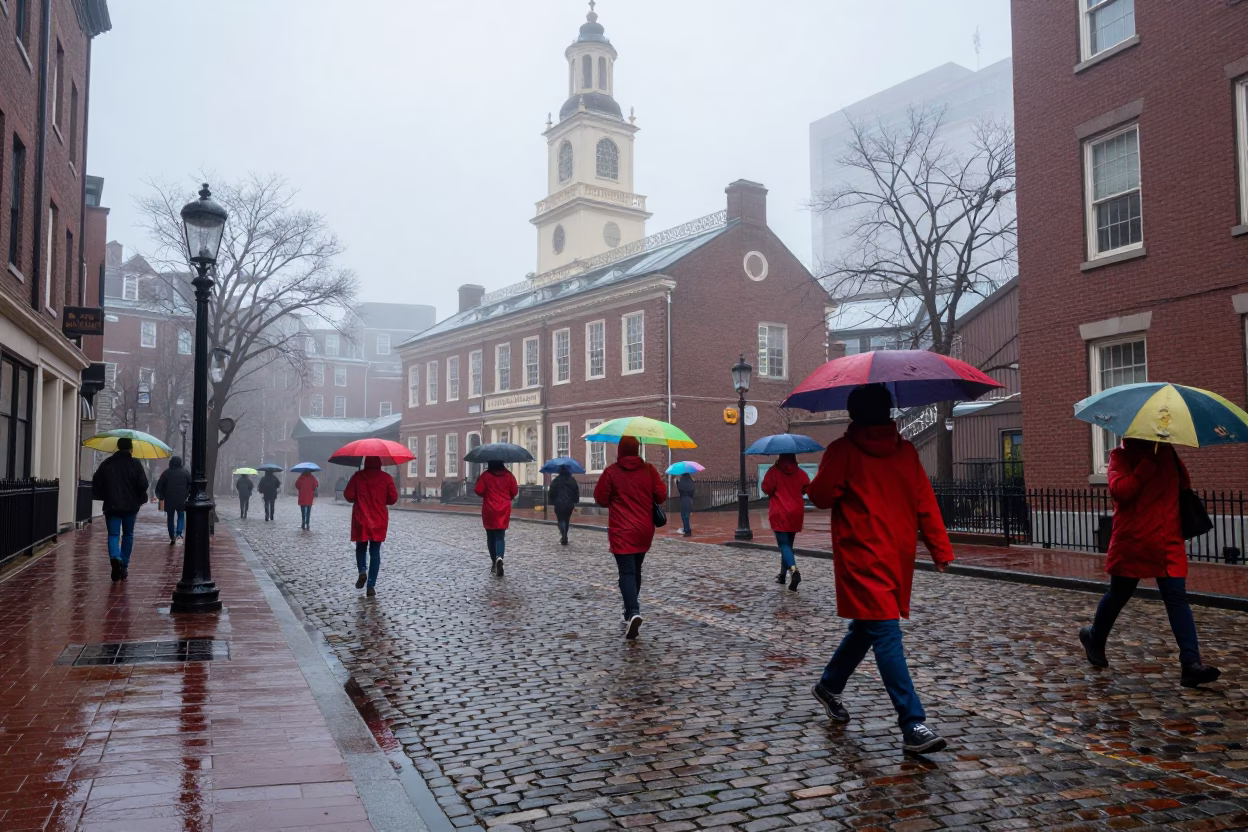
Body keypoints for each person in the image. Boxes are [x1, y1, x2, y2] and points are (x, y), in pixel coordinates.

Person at [806, 383, 954, 755]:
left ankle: (829, 685)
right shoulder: (906, 452)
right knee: (885, 631)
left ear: (854, 414)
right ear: (889, 412)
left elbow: (821, 496)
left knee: (868, 628)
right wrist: (940, 549)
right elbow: (926, 502)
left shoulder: (841, 450)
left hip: (860, 555)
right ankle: (912, 723)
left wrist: (817, 482)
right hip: (892, 556)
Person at [1078, 439, 1220, 688]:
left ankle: (1191, 664)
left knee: (1177, 599)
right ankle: (1095, 637)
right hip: (1134, 540)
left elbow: (1183, 485)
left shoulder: (1168, 453)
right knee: (1119, 594)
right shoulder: (1120, 456)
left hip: (1167, 541)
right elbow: (1120, 492)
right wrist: (1145, 467)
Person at [593, 436, 667, 640]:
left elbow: (600, 498)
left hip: (622, 529)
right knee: (636, 569)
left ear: (620, 451)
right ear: (637, 450)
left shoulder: (611, 472)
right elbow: (661, 496)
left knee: (626, 572)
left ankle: (633, 611)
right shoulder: (649, 470)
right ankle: (629, 610)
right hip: (644, 529)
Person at [91, 437, 150, 582]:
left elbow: (97, 481)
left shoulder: (107, 463)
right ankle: (124, 564)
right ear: (131, 449)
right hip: (131, 506)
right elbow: (143, 484)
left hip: (112, 505)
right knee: (128, 534)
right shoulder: (135, 463)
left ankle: (115, 557)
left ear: (117, 447)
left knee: (113, 534)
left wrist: (105, 494)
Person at [344, 457, 398, 596]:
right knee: (375, 553)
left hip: (361, 517)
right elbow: (393, 499)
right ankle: (371, 585)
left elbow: (348, 495)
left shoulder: (358, 476)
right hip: (378, 519)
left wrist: (356, 496)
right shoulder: (386, 478)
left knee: (360, 548)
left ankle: (362, 570)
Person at [762, 453, 811, 591]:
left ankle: (794, 571)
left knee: (783, 544)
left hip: (780, 511)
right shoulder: (800, 472)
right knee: (788, 545)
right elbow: (806, 488)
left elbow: (766, 488)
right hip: (796, 512)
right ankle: (782, 575)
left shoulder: (774, 471)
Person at [476, 460, 518, 575]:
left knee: (490, 536)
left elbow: (478, 490)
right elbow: (514, 491)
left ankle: (494, 562)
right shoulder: (509, 475)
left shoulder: (485, 475)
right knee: (500, 536)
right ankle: (500, 557)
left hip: (489, 509)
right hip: (503, 509)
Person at [154, 456, 191, 545]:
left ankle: (172, 535)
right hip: (182, 499)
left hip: (169, 499)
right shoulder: (185, 473)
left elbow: (159, 486)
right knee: (181, 515)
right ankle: (179, 533)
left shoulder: (166, 473)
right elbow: (190, 485)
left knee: (170, 517)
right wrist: (187, 494)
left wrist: (161, 497)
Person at [548, 465, 580, 546]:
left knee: (560, 519)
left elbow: (551, 492)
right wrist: (575, 500)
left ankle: (564, 536)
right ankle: (565, 535)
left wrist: (552, 501)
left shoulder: (555, 480)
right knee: (566, 519)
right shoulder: (572, 480)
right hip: (569, 503)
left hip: (558, 503)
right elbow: (576, 491)